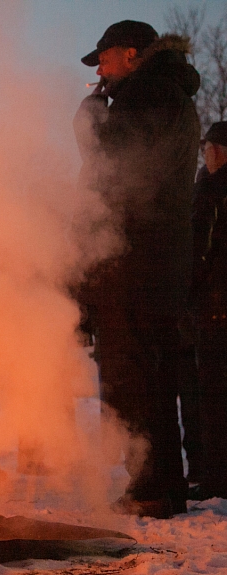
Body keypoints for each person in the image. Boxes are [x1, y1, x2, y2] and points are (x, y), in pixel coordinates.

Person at [74, 21, 201, 518]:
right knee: (142, 374)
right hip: (143, 257)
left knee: (138, 376)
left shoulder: (154, 95)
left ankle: (153, 486)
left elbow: (119, 169)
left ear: (130, 55)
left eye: (103, 60)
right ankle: (155, 482)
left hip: (141, 260)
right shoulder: (156, 94)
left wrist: (89, 124)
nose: (99, 71)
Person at [189, 121, 227, 501]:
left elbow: (200, 252)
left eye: (206, 150)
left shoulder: (214, 190)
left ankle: (217, 478)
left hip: (216, 309)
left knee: (213, 396)